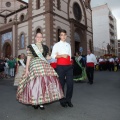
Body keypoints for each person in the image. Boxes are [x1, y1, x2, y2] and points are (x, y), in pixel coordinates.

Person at [16, 32, 64, 110]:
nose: (39, 38)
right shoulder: (31, 47)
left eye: (40, 37)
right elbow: (28, 59)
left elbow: (47, 57)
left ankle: (41, 102)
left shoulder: (45, 47)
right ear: (35, 37)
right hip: (34, 64)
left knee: (44, 82)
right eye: (37, 37)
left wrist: (54, 55)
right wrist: (27, 69)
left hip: (43, 64)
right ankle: (35, 101)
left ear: (42, 38)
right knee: (35, 83)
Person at [51, 29, 73, 108]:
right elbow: (53, 56)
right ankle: (62, 100)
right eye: (62, 35)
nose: (63, 36)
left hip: (69, 66)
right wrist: (61, 55)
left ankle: (68, 100)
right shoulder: (56, 45)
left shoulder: (68, 45)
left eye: (64, 35)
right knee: (61, 84)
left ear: (66, 36)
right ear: (59, 36)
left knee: (70, 84)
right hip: (60, 66)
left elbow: (69, 56)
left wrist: (70, 63)